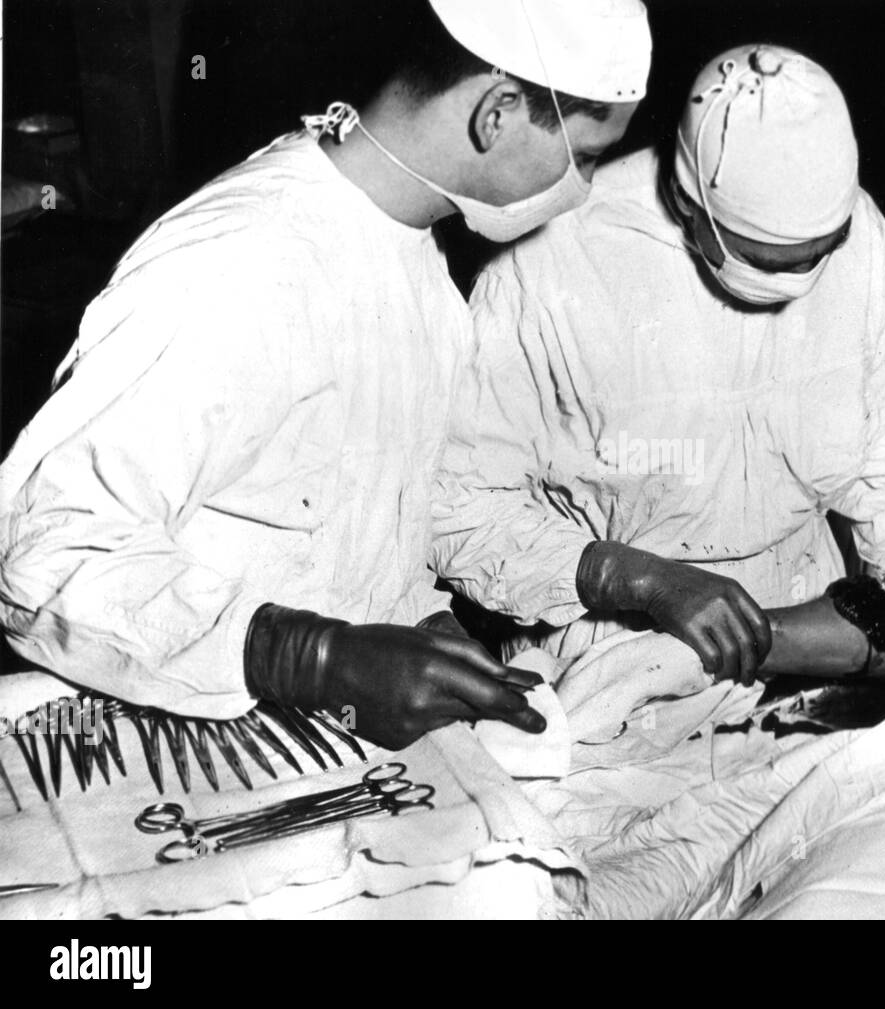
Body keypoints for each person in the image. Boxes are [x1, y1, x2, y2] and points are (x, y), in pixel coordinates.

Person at [0, 0, 652, 749]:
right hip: (173, 734)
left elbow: (364, 529)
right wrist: (305, 656)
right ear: (497, 113)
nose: (587, 187)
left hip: (318, 752)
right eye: (588, 155)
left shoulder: (420, 272)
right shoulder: (241, 262)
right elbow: (44, 545)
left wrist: (429, 635)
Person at [430, 44, 885, 687]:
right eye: (768, 261)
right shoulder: (554, 260)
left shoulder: (860, 234)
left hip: (819, 627)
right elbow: (457, 504)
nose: (799, 281)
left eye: (818, 254)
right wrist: (628, 576)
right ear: (688, 204)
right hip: (622, 644)